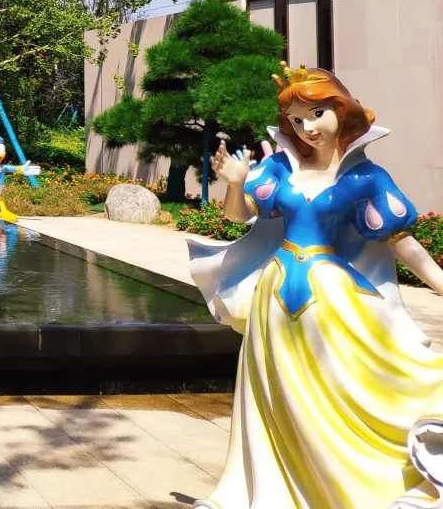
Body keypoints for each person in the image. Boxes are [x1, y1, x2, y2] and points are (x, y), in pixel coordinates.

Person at [189, 63, 443, 509]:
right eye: (296, 120)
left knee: (342, 390)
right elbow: (238, 215)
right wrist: (235, 183)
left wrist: (441, 283)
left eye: (316, 114)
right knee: (276, 397)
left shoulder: (366, 177)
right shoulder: (280, 168)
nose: (307, 128)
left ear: (341, 112)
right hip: (274, 299)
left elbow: (402, 243)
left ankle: (351, 489)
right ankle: (270, 493)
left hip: (336, 301)